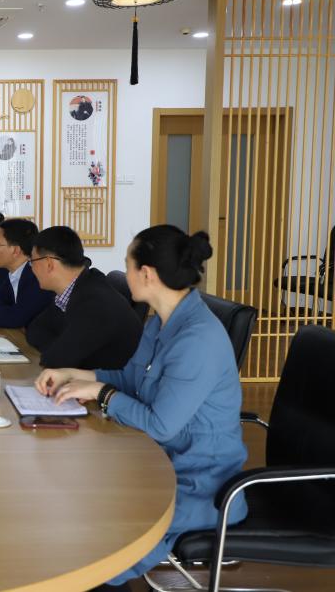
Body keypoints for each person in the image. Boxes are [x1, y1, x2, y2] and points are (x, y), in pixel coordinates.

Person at [35, 226, 247, 588]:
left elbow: (161, 425)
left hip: (198, 484)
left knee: (90, 551)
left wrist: (101, 393)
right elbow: (131, 379)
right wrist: (74, 374)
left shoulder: (198, 339)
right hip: (154, 461)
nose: (125, 274)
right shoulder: (160, 321)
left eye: (128, 266)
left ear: (146, 273)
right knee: (71, 505)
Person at [26, 226, 142, 370]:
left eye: (32, 261)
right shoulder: (72, 290)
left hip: (107, 382)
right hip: (82, 376)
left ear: (49, 264)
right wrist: (60, 346)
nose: (31, 268)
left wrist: (60, 348)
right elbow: (35, 330)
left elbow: (56, 360)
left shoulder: (95, 302)